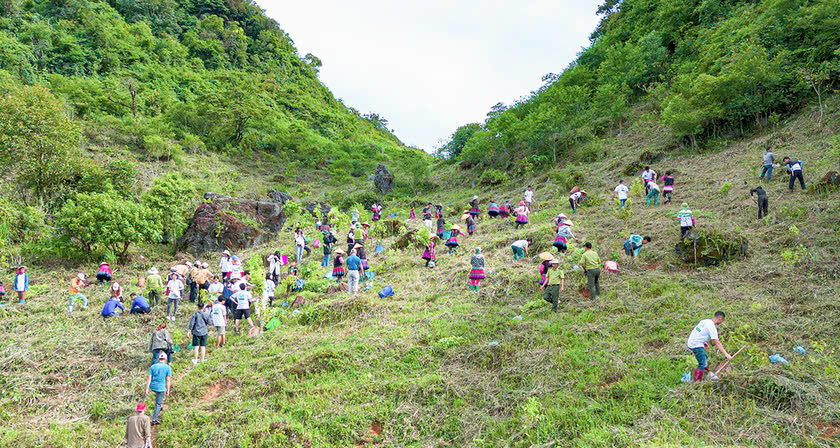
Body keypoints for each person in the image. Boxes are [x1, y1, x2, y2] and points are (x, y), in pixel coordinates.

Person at [686, 311, 732, 382]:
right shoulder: (712, 327)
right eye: (722, 321)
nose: (721, 323)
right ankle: (696, 382)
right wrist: (726, 354)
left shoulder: (705, 321)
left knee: (705, 356)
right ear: (720, 319)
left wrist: (704, 342)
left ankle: (706, 375)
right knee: (702, 363)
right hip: (696, 344)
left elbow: (699, 331)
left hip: (693, 341)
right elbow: (717, 342)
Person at [145, 352, 172, 425]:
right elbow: (168, 380)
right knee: (158, 403)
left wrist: (147, 388)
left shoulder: (153, 367)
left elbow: (149, 378)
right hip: (161, 388)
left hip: (153, 386)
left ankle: (157, 409)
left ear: (159, 359)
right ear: (165, 359)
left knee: (157, 401)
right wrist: (168, 390)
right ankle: (154, 420)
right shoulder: (168, 368)